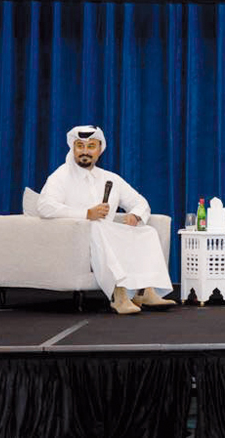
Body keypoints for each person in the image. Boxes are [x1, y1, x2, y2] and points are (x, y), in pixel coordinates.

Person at [38, 126, 175, 315]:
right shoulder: (60, 176)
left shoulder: (110, 178)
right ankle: (118, 295)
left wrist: (135, 215)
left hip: (108, 235)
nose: (85, 151)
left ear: (99, 150)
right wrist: (86, 214)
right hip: (79, 239)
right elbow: (45, 206)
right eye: (80, 146)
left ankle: (145, 291)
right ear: (73, 148)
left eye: (91, 146)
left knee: (147, 231)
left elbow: (140, 202)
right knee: (96, 227)